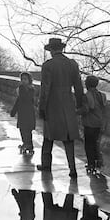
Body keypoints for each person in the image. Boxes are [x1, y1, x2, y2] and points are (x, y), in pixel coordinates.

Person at [38, 38, 84, 179]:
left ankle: (46, 165)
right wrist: (80, 104)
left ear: (51, 50)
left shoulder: (48, 66)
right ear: (61, 49)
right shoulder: (72, 64)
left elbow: (45, 89)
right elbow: (78, 87)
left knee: (48, 137)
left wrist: (42, 107)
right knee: (68, 138)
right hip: (68, 103)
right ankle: (72, 168)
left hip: (53, 104)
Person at [77, 75, 107, 174]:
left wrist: (75, 111)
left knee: (88, 144)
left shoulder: (87, 96)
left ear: (87, 84)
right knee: (96, 143)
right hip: (99, 123)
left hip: (89, 124)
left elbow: (86, 109)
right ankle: (98, 161)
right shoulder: (102, 95)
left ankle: (91, 164)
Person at [10, 72, 36, 155]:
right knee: (23, 130)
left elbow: (26, 99)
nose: (23, 81)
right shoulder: (22, 89)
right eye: (22, 79)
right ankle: (26, 144)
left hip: (28, 113)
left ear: (29, 80)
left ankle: (28, 145)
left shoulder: (30, 89)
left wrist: (21, 89)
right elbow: (18, 101)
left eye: (25, 79)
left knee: (27, 131)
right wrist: (13, 111)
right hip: (22, 113)